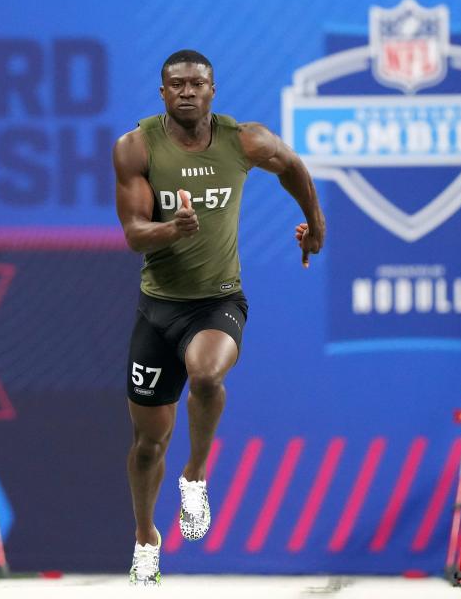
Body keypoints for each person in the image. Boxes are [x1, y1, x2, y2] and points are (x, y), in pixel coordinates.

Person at [113, 49, 326, 586]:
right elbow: (134, 232)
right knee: (147, 445)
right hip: (158, 307)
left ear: (213, 90)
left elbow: (294, 167)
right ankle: (146, 539)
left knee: (208, 373)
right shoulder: (136, 147)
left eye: (197, 83)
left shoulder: (244, 140)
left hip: (218, 300)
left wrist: (315, 225)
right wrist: (171, 229)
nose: (187, 91)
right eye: (176, 84)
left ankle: (196, 476)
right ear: (162, 94)